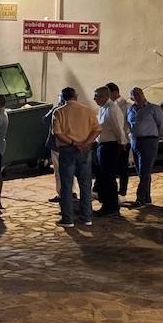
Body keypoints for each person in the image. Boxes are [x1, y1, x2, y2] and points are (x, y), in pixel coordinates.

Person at [52, 87, 99, 227]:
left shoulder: (59, 112)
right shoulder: (88, 110)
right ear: (76, 96)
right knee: (85, 185)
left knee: (66, 186)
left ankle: (68, 219)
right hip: (85, 150)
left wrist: (73, 142)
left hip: (67, 150)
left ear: (63, 98)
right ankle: (86, 217)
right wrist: (85, 143)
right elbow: (97, 129)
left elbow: (57, 132)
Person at [126, 87, 163, 208]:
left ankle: (140, 199)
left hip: (149, 140)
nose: (138, 96)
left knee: (144, 171)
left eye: (139, 93)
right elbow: (129, 125)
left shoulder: (153, 108)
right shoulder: (130, 110)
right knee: (141, 171)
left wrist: (158, 138)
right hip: (136, 141)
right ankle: (147, 197)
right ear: (132, 98)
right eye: (135, 94)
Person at [92, 86, 128, 217]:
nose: (94, 99)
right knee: (102, 176)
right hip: (102, 145)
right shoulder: (103, 108)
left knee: (108, 177)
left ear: (104, 96)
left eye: (96, 96)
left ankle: (111, 206)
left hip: (111, 146)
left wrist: (122, 143)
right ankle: (106, 203)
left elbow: (118, 128)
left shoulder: (112, 109)